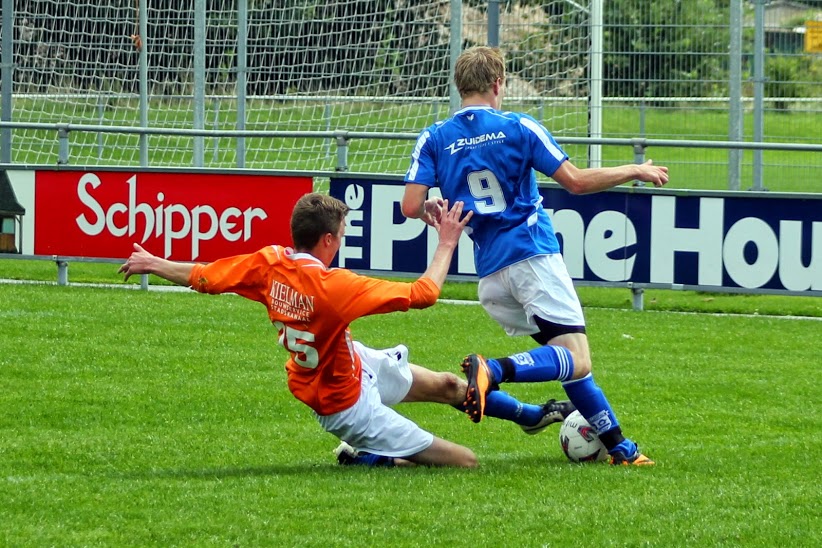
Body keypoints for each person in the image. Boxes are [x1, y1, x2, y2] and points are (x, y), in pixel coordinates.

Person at [118, 192, 567, 469]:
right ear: (329, 240)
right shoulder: (333, 287)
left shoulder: (269, 264)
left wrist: (153, 263)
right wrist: (447, 240)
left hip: (353, 364)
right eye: (343, 232)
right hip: (346, 406)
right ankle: (372, 455)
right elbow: (425, 292)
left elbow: (203, 277)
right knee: (465, 462)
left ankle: (532, 417)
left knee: (452, 385)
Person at [402, 46, 669, 466]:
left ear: (459, 87)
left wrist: (429, 209)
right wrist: (634, 170)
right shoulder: (519, 127)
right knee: (575, 357)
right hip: (532, 257)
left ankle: (620, 448)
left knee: (566, 359)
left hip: (490, 276)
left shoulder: (434, 137)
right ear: (497, 84)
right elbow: (577, 182)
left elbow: (410, 204)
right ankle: (494, 370)